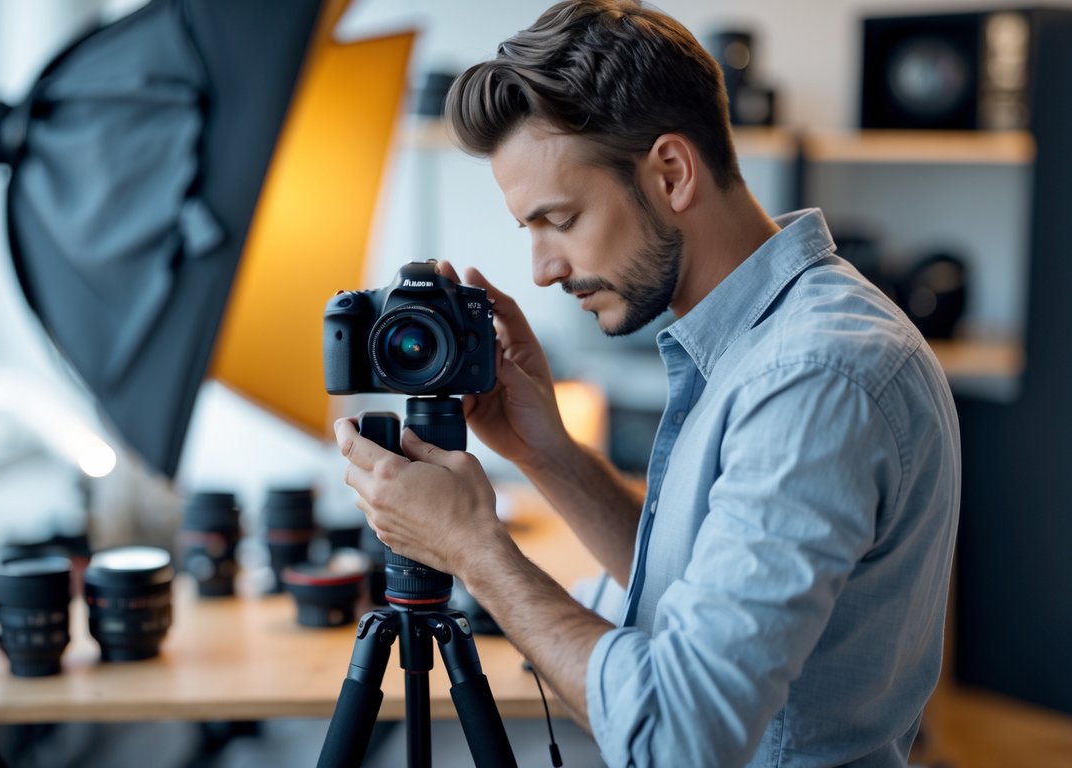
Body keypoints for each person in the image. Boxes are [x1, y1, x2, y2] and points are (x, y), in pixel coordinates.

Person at [333, 1, 961, 765]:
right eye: (530, 230)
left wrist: (474, 551)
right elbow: (691, 585)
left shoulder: (811, 377)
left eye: (560, 219)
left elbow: (675, 736)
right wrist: (545, 453)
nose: (542, 269)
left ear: (670, 173)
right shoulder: (756, 344)